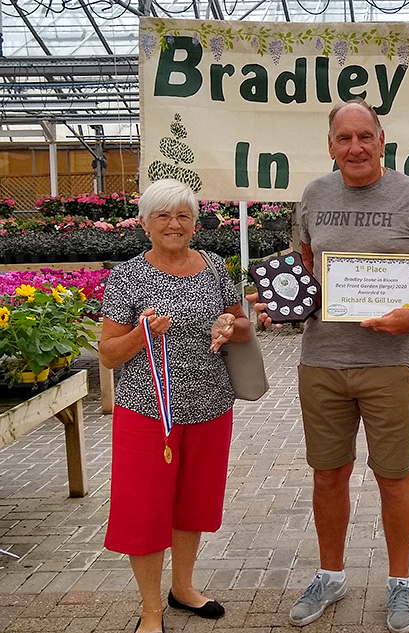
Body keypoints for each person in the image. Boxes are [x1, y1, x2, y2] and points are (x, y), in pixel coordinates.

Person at [250, 98, 409, 633]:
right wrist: (279, 305)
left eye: (364, 136)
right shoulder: (314, 196)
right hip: (321, 360)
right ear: (330, 146)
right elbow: (301, 269)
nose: (355, 147)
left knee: (394, 476)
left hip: (388, 364)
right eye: (343, 139)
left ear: (381, 139)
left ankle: (400, 584)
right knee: (328, 475)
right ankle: (330, 574)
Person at [99, 179, 253, 633]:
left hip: (209, 406)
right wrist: (141, 334)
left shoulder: (212, 267)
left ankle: (182, 588)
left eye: (182, 215)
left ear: (195, 223)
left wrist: (231, 323)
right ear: (145, 224)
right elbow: (107, 354)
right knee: (144, 511)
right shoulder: (128, 276)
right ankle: (150, 608)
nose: (173, 223)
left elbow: (241, 324)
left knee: (193, 503)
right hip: (148, 412)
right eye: (163, 215)